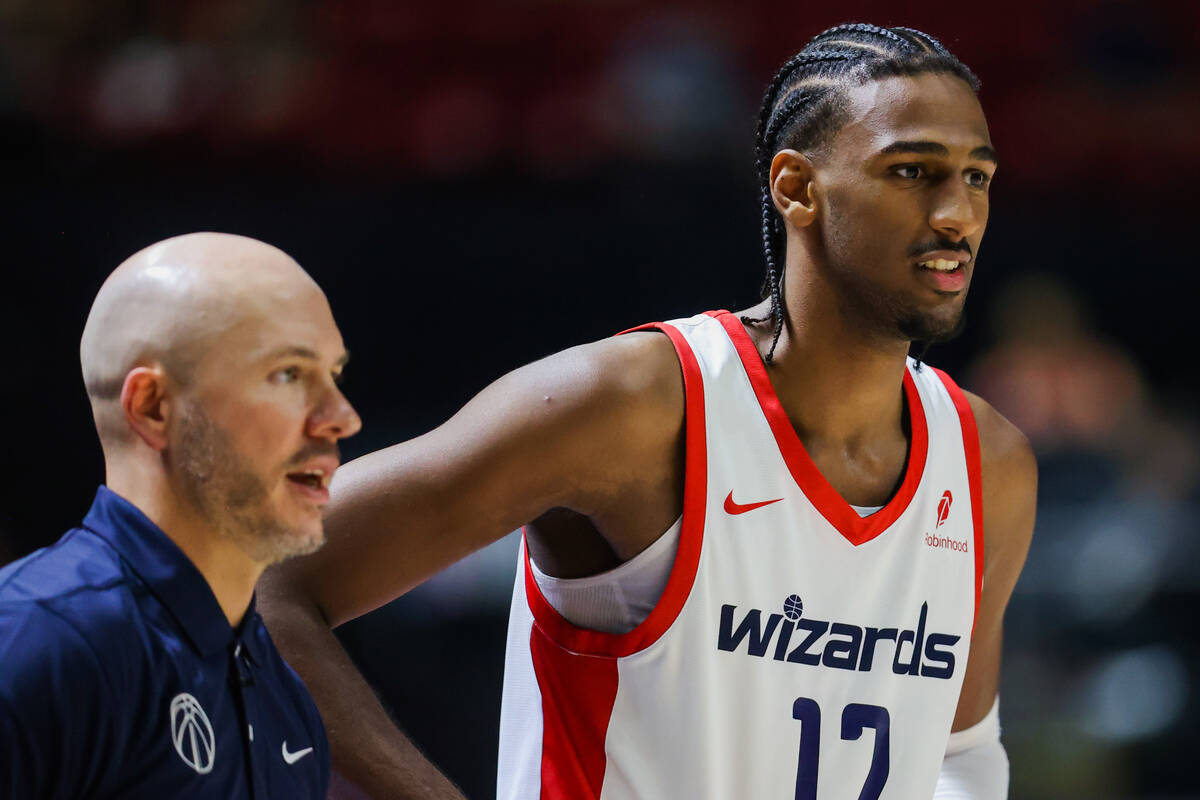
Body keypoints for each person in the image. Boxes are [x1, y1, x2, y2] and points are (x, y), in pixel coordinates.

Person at [259, 23, 1035, 800]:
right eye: (912, 171)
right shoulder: (632, 407)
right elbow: (267, 575)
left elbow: (960, 751)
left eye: (977, 177)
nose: (957, 215)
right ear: (797, 188)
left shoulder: (988, 465)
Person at [0, 233, 362, 798]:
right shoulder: (33, 643)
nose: (342, 417)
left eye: (333, 376)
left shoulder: (285, 702)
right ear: (153, 407)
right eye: (289, 374)